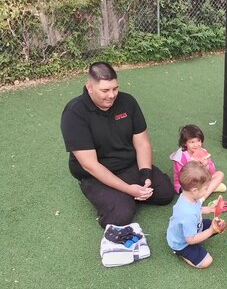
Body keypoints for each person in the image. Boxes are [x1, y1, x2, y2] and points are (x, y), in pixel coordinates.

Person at [61, 62, 174, 228]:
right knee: (121, 216)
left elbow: (142, 143)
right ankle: (118, 197)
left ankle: (127, 194)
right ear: (89, 87)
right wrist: (129, 190)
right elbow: (90, 165)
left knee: (166, 194)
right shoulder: (74, 112)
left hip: (128, 165)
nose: (112, 95)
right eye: (105, 90)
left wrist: (145, 174)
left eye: (115, 88)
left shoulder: (128, 102)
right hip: (95, 174)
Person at [166, 162, 225, 269]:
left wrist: (210, 209)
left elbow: (197, 209)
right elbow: (191, 240)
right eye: (206, 188)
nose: (208, 190)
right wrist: (211, 230)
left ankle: (203, 233)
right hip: (182, 243)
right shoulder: (188, 215)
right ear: (194, 190)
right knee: (207, 262)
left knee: (216, 223)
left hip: (192, 227)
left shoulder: (188, 197)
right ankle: (180, 253)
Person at [170, 124, 226, 200]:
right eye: (192, 142)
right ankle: (210, 189)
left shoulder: (202, 152)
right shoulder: (180, 157)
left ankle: (202, 196)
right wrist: (192, 163)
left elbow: (212, 172)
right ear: (184, 143)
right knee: (193, 188)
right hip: (186, 186)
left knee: (220, 174)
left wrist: (206, 165)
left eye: (198, 141)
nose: (196, 145)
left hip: (201, 181)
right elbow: (183, 178)